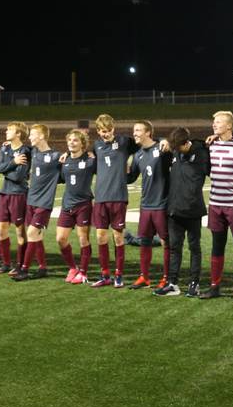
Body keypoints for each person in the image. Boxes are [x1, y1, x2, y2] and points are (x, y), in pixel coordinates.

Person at [201, 111, 233, 300]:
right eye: (213, 121)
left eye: (218, 122)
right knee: (217, 246)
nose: (214, 124)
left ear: (229, 126)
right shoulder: (210, 144)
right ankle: (214, 287)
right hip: (215, 203)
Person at [154, 127, 210, 297]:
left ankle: (194, 283)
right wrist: (162, 140)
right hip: (174, 210)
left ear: (186, 143)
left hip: (193, 210)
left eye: (178, 147)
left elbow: (203, 147)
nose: (176, 151)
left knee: (194, 248)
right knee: (174, 248)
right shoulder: (175, 151)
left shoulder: (201, 154)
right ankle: (173, 283)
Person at [90, 114, 138, 288]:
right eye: (103, 131)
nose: (106, 134)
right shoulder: (96, 146)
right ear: (98, 131)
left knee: (118, 237)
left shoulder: (125, 142)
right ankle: (105, 275)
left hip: (118, 197)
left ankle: (119, 274)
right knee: (101, 236)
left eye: (109, 130)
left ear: (114, 128)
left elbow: (144, 143)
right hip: (101, 197)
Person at [126, 121, 172, 290]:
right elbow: (130, 178)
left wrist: (164, 140)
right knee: (144, 241)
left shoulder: (161, 149)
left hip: (162, 204)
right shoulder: (137, 155)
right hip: (145, 205)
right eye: (134, 130)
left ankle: (167, 278)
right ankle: (144, 277)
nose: (135, 133)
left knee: (166, 242)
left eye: (138, 130)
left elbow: (171, 148)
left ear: (148, 132)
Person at [13, 124, 62, 281]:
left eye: (33, 134)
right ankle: (42, 267)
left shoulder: (56, 156)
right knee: (37, 236)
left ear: (41, 136)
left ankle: (25, 269)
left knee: (31, 233)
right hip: (30, 201)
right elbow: (16, 147)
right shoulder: (32, 152)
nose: (30, 137)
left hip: (44, 203)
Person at [0, 122, 32, 275]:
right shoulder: (5, 148)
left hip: (18, 194)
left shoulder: (25, 151)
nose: (6, 131)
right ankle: (6, 262)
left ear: (18, 134)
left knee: (20, 231)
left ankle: (20, 264)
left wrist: (5, 167)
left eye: (9, 129)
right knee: (1, 229)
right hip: (5, 193)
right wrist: (13, 163)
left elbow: (18, 176)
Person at [57, 129, 96, 284]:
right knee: (61, 239)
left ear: (82, 144)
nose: (72, 143)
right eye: (70, 140)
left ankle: (83, 272)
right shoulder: (63, 160)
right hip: (67, 204)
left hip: (84, 204)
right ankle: (73, 268)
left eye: (75, 140)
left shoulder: (91, 160)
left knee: (83, 239)